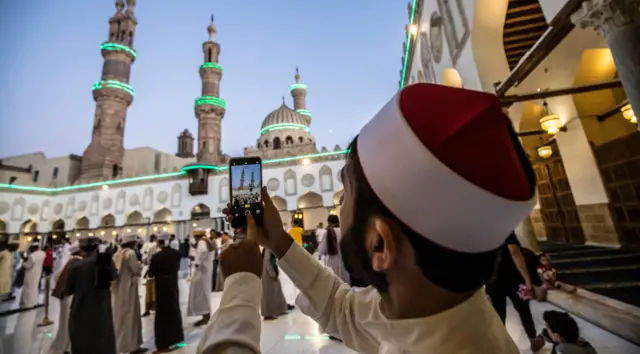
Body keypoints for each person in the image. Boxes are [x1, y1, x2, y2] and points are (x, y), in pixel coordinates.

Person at [197, 84, 539, 353]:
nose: (338, 207)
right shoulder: (433, 306)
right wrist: (279, 242)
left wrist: (241, 285)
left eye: (345, 196)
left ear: (379, 242)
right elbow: (340, 307)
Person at [486, 231, 544, 351]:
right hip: (514, 279)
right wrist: (527, 279)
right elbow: (514, 252)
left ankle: (501, 346)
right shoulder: (505, 227)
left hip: (493, 279)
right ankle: (533, 341)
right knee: (524, 310)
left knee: (499, 313)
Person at [64, 236, 117, 354]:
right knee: (103, 336)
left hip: (81, 307)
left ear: (81, 249)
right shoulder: (105, 260)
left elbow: (67, 289)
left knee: (82, 338)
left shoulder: (76, 266)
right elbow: (114, 276)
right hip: (101, 306)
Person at [148, 232, 184, 353]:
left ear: (159, 242)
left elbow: (151, 273)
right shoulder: (176, 254)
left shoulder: (157, 256)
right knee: (174, 309)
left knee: (162, 315)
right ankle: (177, 338)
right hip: (173, 285)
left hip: (161, 287)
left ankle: (163, 345)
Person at [111, 234, 146, 354]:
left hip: (117, 290)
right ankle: (133, 347)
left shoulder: (117, 253)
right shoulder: (130, 253)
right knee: (131, 316)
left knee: (119, 317)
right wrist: (141, 266)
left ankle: (119, 345)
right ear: (132, 243)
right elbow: (136, 269)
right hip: (129, 289)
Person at [49, 242, 82, 354]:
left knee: (65, 322)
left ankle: (66, 346)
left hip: (66, 296)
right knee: (69, 322)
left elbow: (56, 276)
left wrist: (62, 286)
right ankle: (65, 347)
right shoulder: (77, 261)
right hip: (70, 297)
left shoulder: (71, 260)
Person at [187, 228, 215, 326]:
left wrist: (197, 262)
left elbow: (202, 251)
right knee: (203, 292)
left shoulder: (202, 242)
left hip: (202, 271)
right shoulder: (207, 241)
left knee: (201, 293)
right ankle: (205, 315)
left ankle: (205, 316)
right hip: (206, 270)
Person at [260, 247, 294, 320]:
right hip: (268, 273)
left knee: (277, 291)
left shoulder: (269, 248)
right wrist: (272, 273)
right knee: (269, 294)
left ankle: (280, 309)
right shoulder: (268, 249)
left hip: (269, 272)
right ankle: (268, 314)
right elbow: (267, 261)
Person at [316, 214, 349, 282]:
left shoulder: (329, 232)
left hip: (332, 262)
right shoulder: (344, 230)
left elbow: (322, 249)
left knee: (336, 284)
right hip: (345, 261)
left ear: (329, 222)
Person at [20, 242, 45, 309]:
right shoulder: (42, 253)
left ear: (33, 248)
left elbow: (28, 266)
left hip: (30, 274)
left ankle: (27, 304)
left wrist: (23, 262)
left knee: (28, 289)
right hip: (38, 273)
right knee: (35, 288)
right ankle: (34, 302)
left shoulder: (32, 256)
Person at [142, 233, 159, 317]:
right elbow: (147, 259)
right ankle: (149, 309)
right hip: (154, 273)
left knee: (152, 292)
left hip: (155, 274)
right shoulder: (152, 247)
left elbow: (147, 259)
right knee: (151, 292)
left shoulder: (153, 247)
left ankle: (150, 309)